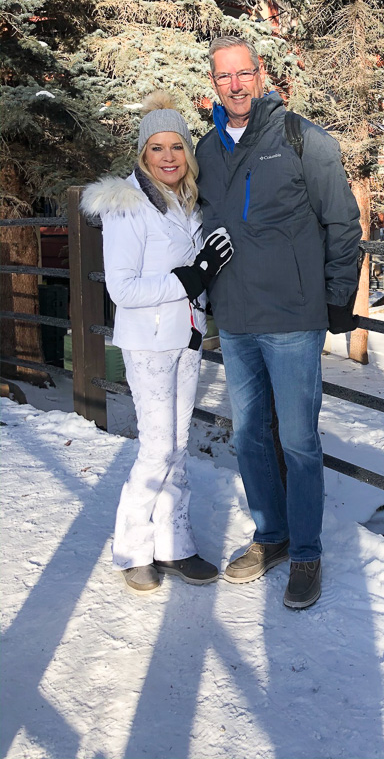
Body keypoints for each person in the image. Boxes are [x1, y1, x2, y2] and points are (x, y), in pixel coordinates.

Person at [197, 36, 361, 609]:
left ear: (261, 75)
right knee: (248, 438)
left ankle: (307, 554)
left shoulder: (301, 138)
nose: (236, 85)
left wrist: (338, 297)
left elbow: (342, 222)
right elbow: (199, 222)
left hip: (292, 318)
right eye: (224, 77)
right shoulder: (206, 150)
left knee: (297, 440)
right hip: (237, 318)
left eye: (245, 74)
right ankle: (272, 536)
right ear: (213, 84)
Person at [81, 93, 234, 594]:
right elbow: (121, 288)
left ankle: (175, 545)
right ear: (143, 155)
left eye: (176, 147)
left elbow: (195, 272)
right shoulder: (127, 205)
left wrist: (204, 279)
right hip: (146, 343)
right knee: (157, 447)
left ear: (187, 153)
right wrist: (192, 277)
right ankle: (130, 548)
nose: (168, 157)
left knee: (179, 446)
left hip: (185, 339)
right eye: (156, 148)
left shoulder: (187, 201)